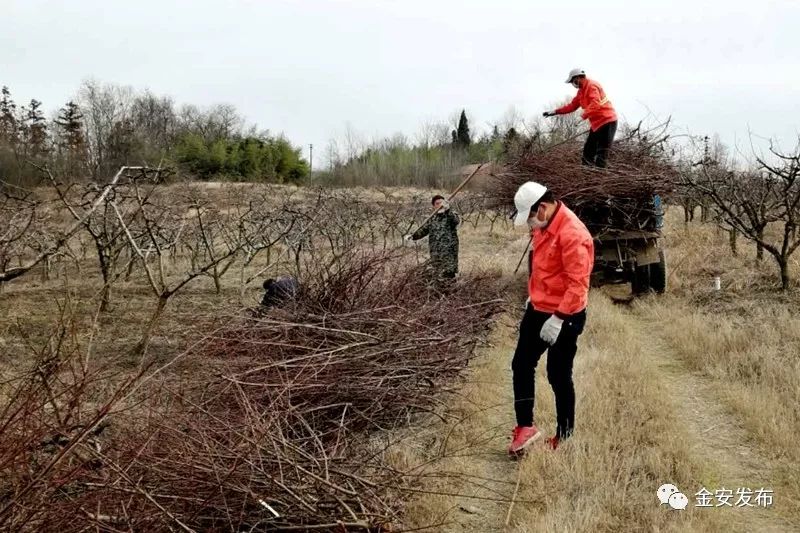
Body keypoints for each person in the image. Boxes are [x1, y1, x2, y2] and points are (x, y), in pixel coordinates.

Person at [508, 181, 594, 455]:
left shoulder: (573, 234)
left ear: (542, 207)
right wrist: (534, 296)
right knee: (521, 364)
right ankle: (525, 428)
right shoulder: (542, 226)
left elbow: (578, 286)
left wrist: (558, 318)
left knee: (558, 375)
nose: (531, 224)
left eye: (532, 217)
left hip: (565, 315)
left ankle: (565, 435)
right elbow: (543, 267)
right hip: (539, 308)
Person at [543, 68, 618, 168]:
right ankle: (586, 174)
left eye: (572, 81)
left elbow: (595, 104)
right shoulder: (581, 92)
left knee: (602, 151)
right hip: (596, 124)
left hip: (607, 121)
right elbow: (572, 106)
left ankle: (599, 177)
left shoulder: (591, 86)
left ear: (578, 77)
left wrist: (582, 117)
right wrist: (555, 112)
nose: (572, 84)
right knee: (588, 150)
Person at [405, 195, 460, 282]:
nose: (440, 205)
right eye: (437, 203)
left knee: (449, 274)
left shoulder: (450, 215)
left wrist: (448, 210)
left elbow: (456, 221)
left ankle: (452, 293)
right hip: (435, 252)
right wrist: (413, 236)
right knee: (437, 274)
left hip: (449, 252)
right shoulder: (431, 219)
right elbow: (423, 231)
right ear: (434, 206)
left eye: (442, 203)